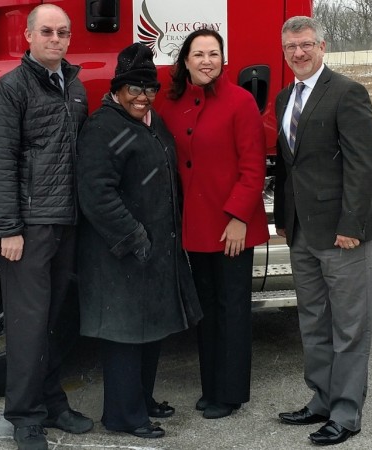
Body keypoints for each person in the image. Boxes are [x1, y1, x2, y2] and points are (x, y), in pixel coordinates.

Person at [75, 42, 202, 439]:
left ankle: (142, 401)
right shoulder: (103, 127)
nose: (143, 98)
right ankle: (122, 416)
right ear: (117, 89)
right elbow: (96, 192)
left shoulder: (152, 122)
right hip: (120, 253)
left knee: (150, 330)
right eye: (134, 89)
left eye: (150, 90)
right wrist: (132, 235)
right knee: (125, 336)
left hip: (154, 250)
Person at [0, 4, 93, 450]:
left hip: (67, 221)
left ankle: (51, 401)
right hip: (28, 228)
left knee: (53, 320)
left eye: (62, 32)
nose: (56, 39)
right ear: (27, 36)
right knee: (27, 327)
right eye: (46, 31)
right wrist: (9, 228)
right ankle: (25, 417)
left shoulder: (76, 87)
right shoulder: (11, 90)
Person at [273, 16, 372, 446]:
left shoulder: (347, 92)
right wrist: (283, 218)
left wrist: (352, 225)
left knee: (350, 326)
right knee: (313, 321)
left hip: (342, 235)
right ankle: (321, 398)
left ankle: (346, 412)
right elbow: (287, 165)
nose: (298, 53)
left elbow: (361, 163)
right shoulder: (283, 98)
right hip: (301, 233)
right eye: (290, 47)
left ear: (323, 45)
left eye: (306, 45)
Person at [160, 29, 269, 420]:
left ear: (223, 58)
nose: (207, 60)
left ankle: (231, 393)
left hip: (231, 228)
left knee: (233, 309)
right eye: (198, 54)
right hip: (196, 228)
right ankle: (211, 389)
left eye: (214, 54)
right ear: (185, 60)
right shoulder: (170, 104)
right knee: (206, 309)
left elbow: (253, 166)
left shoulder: (240, 102)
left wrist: (239, 217)